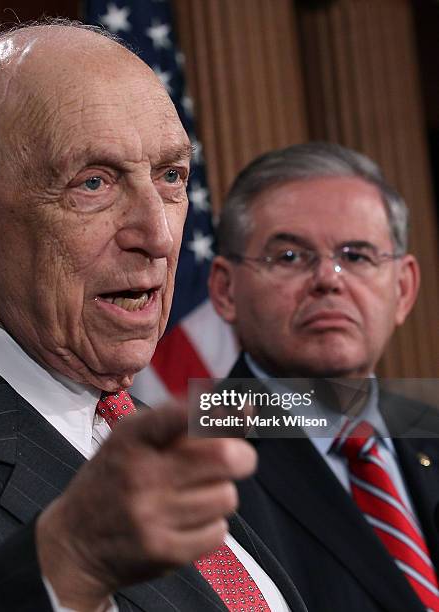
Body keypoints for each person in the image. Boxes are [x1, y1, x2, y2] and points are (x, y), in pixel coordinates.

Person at [0, 21, 308, 612]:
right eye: (94, 182)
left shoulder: (144, 434)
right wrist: (68, 568)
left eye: (170, 176)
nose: (159, 237)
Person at [208, 141, 439, 612]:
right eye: (290, 256)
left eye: (356, 256)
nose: (329, 278)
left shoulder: (430, 429)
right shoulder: (194, 462)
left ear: (403, 288)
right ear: (225, 289)